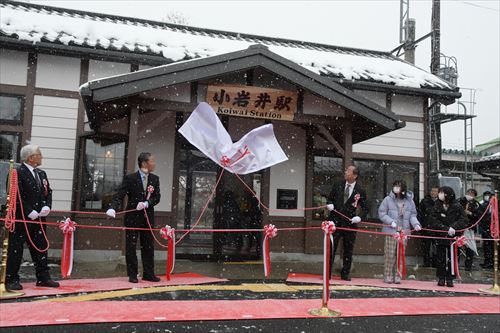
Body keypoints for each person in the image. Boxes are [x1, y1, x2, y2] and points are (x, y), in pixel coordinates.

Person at [6, 144, 59, 290]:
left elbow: (48, 192)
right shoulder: (18, 172)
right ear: (31, 157)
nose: (41, 157)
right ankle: (11, 279)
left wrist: (47, 205)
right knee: (16, 249)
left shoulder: (41, 174)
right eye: (39, 154)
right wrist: (29, 211)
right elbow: (15, 194)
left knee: (41, 248)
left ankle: (43, 277)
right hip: (22, 218)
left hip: (39, 218)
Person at [106, 152, 161, 283]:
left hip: (147, 218)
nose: (154, 163)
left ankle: (148, 273)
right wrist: (112, 207)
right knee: (131, 247)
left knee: (148, 246)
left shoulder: (155, 179)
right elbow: (120, 194)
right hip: (132, 217)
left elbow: (157, 197)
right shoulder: (131, 178)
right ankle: (132, 274)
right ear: (144, 163)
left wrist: (147, 203)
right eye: (152, 161)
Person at [326, 165, 368, 281]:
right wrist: (330, 204)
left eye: (348, 171)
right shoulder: (338, 185)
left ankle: (345, 274)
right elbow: (329, 198)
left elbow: (365, 208)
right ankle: (327, 273)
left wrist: (359, 217)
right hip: (335, 222)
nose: (345, 172)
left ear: (355, 175)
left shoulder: (360, 190)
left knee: (348, 250)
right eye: (346, 170)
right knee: (331, 248)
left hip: (350, 223)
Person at [378, 180, 421, 284]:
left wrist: (416, 224)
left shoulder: (409, 201)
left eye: (398, 186)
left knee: (401, 254)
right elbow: (382, 213)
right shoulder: (388, 199)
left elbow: (412, 215)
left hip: (404, 231)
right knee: (390, 254)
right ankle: (388, 275)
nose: (396, 188)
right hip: (391, 230)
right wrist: (390, 221)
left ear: (403, 189)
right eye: (395, 186)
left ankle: (398, 275)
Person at [430, 186, 467, 287]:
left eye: (442, 193)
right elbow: (433, 220)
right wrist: (445, 229)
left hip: (453, 237)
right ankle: (441, 277)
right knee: (440, 257)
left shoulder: (457, 206)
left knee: (453, 257)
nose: (440, 194)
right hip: (441, 235)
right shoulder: (437, 205)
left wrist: (453, 227)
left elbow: (463, 220)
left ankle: (450, 277)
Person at [459, 188, 480, 271]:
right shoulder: (460, 201)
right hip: (460, 227)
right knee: (457, 245)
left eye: (472, 194)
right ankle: (455, 263)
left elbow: (478, 216)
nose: (470, 195)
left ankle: (468, 265)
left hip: (470, 227)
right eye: (469, 193)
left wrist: (470, 213)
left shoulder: (476, 204)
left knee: (470, 247)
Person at [418, 186, 439, 267]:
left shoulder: (440, 202)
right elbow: (420, 214)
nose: (433, 192)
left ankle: (435, 263)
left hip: (437, 229)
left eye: (435, 191)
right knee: (426, 247)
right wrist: (420, 225)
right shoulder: (425, 201)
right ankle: (426, 263)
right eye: (432, 191)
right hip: (426, 227)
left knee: (436, 247)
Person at [478, 190, 494, 269]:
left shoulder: (495, 204)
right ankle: (488, 262)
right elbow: (480, 216)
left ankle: (493, 262)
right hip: (485, 228)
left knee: (493, 246)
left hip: (493, 229)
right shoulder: (483, 205)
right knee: (486, 246)